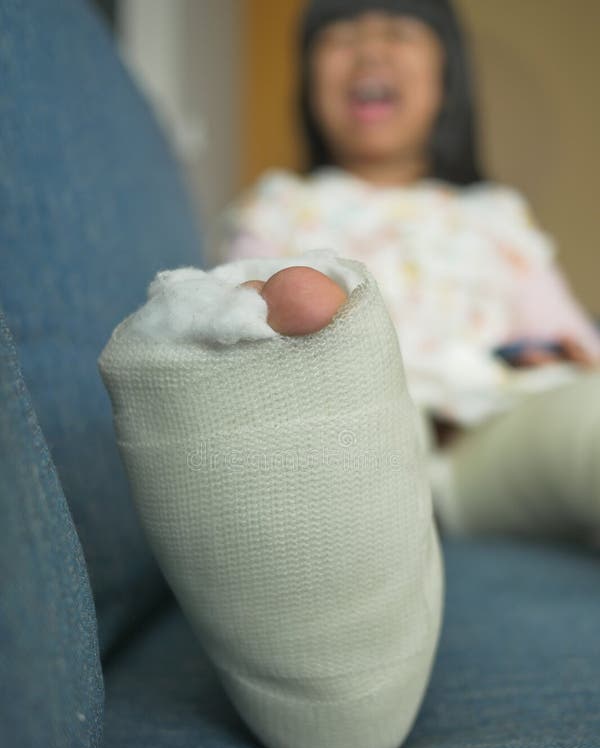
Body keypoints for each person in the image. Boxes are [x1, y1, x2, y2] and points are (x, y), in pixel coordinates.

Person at [212, 0, 600, 546]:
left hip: (487, 447)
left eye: (398, 31)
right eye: (341, 36)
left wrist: (554, 354)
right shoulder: (280, 208)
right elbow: (233, 341)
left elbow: (576, 347)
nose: (370, 50)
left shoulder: (494, 217)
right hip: (352, 441)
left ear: (447, 76)